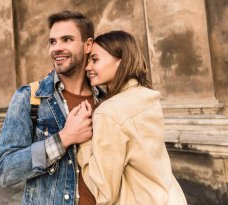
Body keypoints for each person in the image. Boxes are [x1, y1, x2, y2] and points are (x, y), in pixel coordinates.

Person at [0, 10, 105, 204]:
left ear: (88, 45)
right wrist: (64, 138)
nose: (56, 48)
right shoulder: (29, 97)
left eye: (67, 39)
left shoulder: (105, 101)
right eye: (52, 42)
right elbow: (5, 171)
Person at [75, 31, 187, 204]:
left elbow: (103, 192)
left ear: (121, 61)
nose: (88, 67)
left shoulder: (109, 112)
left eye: (95, 60)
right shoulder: (147, 96)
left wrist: (83, 143)